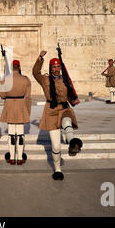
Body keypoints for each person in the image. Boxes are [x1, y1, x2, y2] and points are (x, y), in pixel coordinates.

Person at [32, 50, 82, 181]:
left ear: (60, 67)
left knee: (66, 121)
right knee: (56, 146)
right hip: (51, 110)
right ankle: (58, 169)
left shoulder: (65, 79)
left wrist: (74, 100)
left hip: (64, 107)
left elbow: (70, 93)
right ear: (50, 67)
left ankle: (72, 143)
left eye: (57, 66)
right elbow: (35, 72)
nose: (55, 69)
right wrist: (40, 58)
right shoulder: (45, 79)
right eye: (53, 67)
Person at [0, 60, 32, 165]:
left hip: (9, 105)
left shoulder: (6, 79)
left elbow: (2, 95)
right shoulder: (26, 79)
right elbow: (28, 97)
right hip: (21, 105)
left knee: (11, 134)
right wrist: (27, 111)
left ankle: (12, 158)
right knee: (21, 134)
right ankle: (21, 157)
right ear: (19, 67)